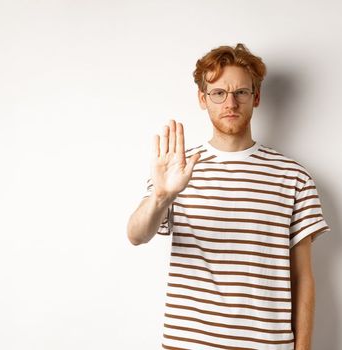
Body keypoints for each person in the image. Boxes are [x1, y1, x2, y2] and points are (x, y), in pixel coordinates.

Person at [126, 43, 330, 350]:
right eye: (218, 93)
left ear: (256, 97)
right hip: (188, 344)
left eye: (241, 92)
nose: (230, 102)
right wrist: (161, 197)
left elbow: (303, 279)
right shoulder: (178, 171)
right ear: (202, 99)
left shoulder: (294, 177)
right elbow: (136, 235)